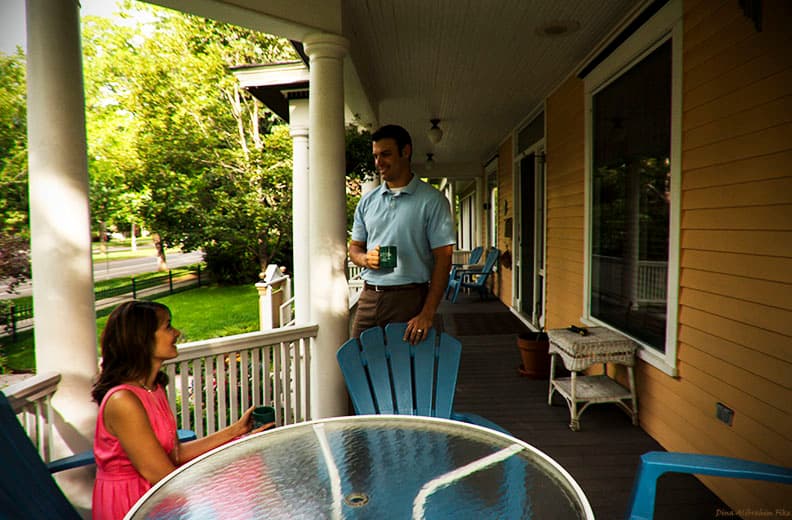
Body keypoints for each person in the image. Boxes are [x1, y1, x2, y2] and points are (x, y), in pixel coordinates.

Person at [90, 300, 272, 520]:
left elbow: (176, 453)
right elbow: (159, 475)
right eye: (168, 326)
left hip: (160, 492)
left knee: (248, 467)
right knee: (237, 488)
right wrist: (218, 486)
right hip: (134, 503)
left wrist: (237, 432)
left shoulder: (154, 388)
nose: (176, 333)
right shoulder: (123, 401)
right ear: (142, 339)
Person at [349, 124, 455, 343]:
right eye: (376, 156)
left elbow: (443, 260)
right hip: (368, 297)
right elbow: (354, 248)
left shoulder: (432, 201)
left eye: (386, 154)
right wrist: (365, 259)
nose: (379, 163)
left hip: (409, 299)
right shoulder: (368, 201)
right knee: (361, 366)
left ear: (405, 151)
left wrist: (427, 314)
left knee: (405, 370)